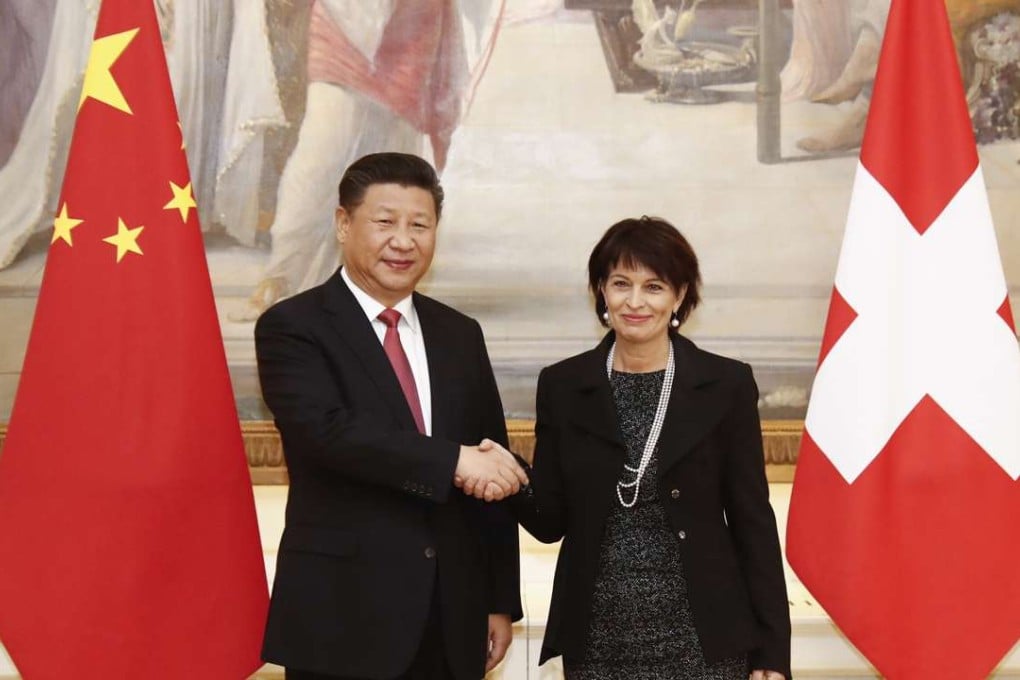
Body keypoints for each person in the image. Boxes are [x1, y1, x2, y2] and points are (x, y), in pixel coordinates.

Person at [255, 152, 527, 679]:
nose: (403, 241)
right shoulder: (294, 326)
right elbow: (325, 433)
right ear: (343, 223)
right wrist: (451, 461)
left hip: (451, 615)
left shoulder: (459, 333)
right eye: (385, 222)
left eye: (419, 225)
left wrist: (498, 599)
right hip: (343, 613)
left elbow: (488, 456)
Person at [500, 217, 792, 680]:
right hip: (597, 640)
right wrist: (508, 471)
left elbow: (752, 522)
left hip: (704, 639)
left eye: (654, 286)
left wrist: (774, 653)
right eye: (621, 284)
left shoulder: (725, 384)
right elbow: (550, 520)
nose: (635, 302)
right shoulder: (563, 385)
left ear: (679, 297)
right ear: (601, 291)